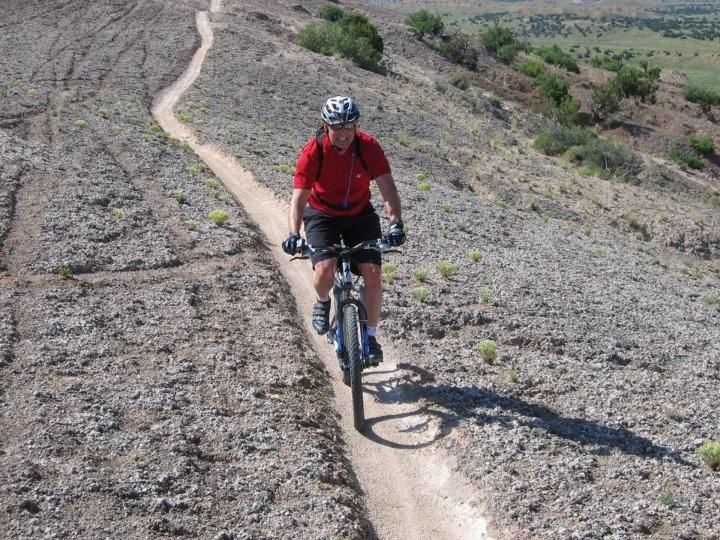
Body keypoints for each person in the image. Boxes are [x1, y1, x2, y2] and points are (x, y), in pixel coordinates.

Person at [282, 96, 405, 362]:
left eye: (349, 126)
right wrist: (294, 233)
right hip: (322, 214)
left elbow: (387, 187)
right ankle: (324, 301)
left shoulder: (368, 147)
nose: (344, 133)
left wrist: (395, 222)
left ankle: (371, 337)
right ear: (325, 126)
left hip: (360, 214)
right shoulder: (312, 152)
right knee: (325, 269)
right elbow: (299, 196)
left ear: (356, 125)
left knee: (372, 273)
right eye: (337, 127)